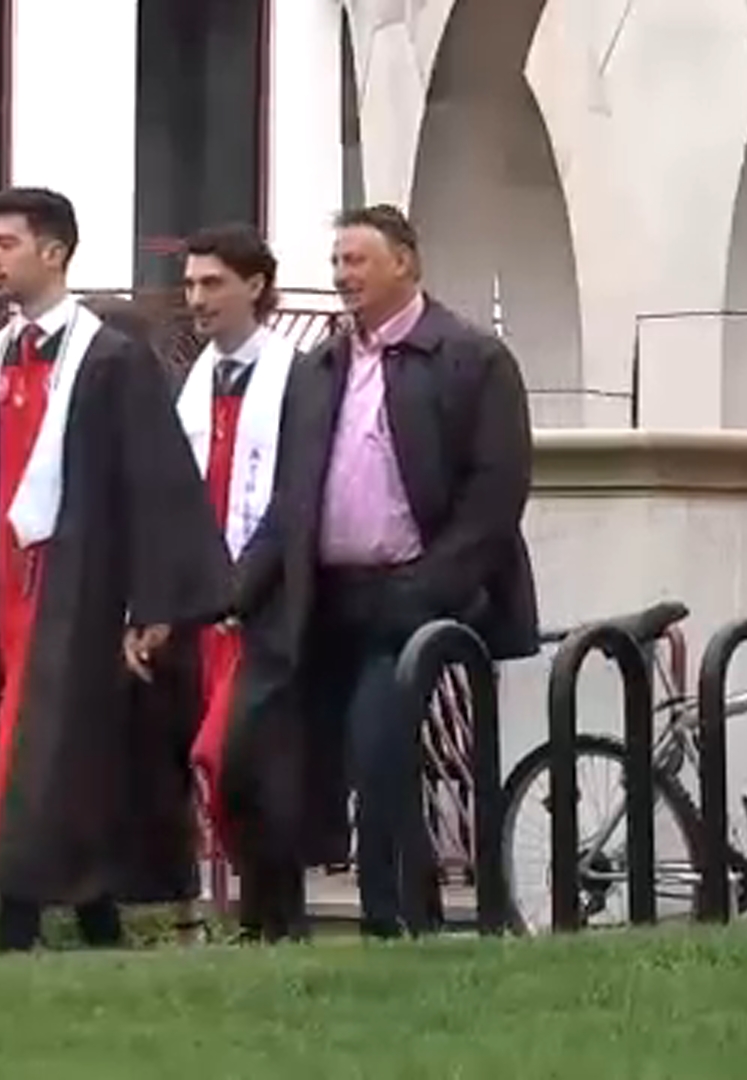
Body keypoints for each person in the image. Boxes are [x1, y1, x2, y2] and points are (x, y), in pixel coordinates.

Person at [0, 187, 234, 953]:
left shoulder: (112, 361)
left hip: (78, 591)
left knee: (59, 756)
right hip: (0, 591)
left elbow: (156, 485)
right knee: (17, 747)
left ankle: (16, 928)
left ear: (52, 252)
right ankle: (95, 925)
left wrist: (154, 603)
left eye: (4, 243)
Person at [222, 205, 538, 942]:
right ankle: (274, 922)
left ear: (405, 263)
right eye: (336, 263)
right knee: (258, 747)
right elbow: (291, 498)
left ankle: (392, 922)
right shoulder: (322, 366)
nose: (342, 277)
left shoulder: (470, 359)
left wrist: (428, 591)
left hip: (407, 599)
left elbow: (495, 495)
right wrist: (233, 592)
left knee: (379, 750)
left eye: (357, 261)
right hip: (320, 596)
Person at [171, 225, 296, 861]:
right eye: (190, 283)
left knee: (240, 757)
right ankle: (252, 915)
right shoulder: (189, 383)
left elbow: (294, 498)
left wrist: (245, 586)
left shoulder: (296, 377)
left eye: (212, 283)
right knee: (214, 760)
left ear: (255, 285)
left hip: (264, 604)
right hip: (201, 604)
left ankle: (272, 910)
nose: (196, 297)